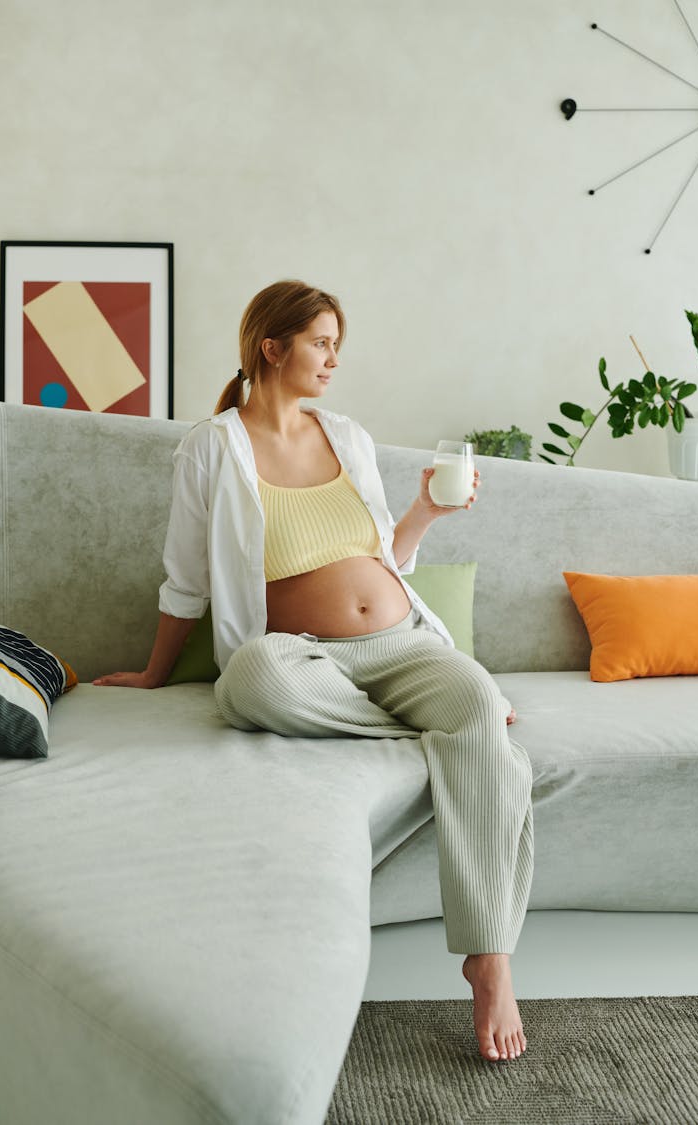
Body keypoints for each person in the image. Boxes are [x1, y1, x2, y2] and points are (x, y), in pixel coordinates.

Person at [94, 279, 534, 1063]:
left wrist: (426, 513)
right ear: (273, 347)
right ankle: (446, 730)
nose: (334, 359)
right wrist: (155, 674)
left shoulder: (348, 435)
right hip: (306, 657)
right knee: (257, 679)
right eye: (321, 342)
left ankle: (489, 954)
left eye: (337, 345)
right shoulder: (212, 446)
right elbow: (186, 580)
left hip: (402, 645)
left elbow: (383, 561)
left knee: (470, 693)